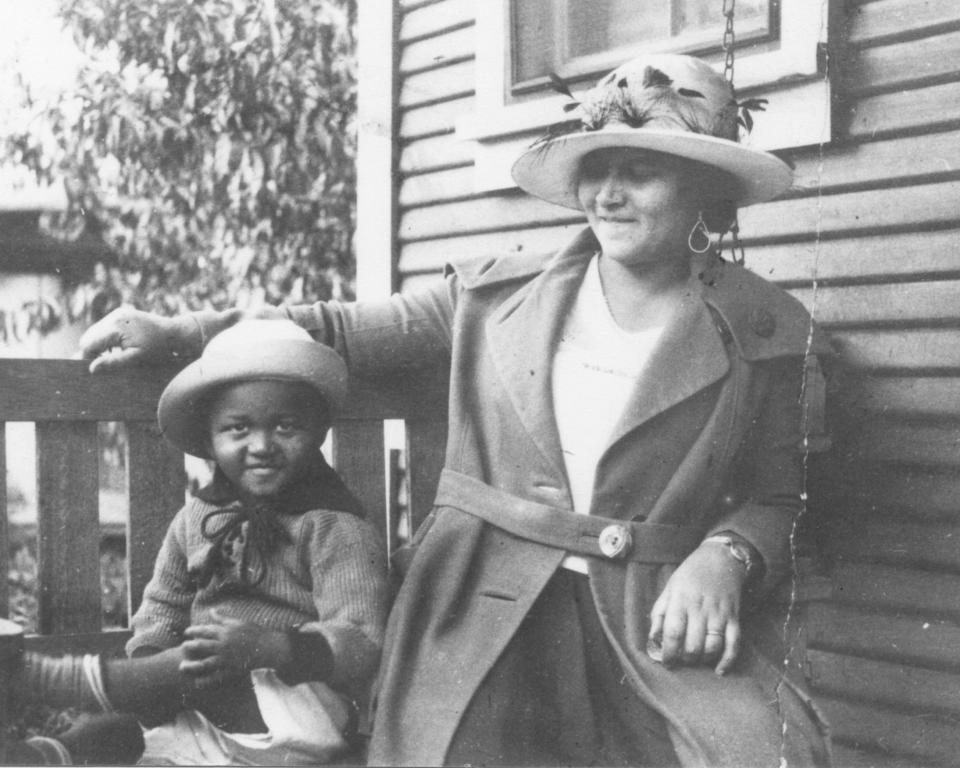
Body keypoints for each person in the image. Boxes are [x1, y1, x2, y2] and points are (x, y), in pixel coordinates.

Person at [80, 54, 833, 766]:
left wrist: (728, 555)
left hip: (648, 616)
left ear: (704, 186)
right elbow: (334, 327)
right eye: (596, 170)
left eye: (640, 173)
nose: (608, 195)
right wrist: (183, 332)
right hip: (480, 600)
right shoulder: (496, 297)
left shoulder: (764, 333)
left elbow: (781, 496)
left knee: (759, 749)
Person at [20, 319, 388, 765]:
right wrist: (152, 656)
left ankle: (63, 682)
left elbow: (363, 642)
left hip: (299, 708)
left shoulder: (334, 526)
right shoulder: (199, 517)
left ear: (319, 433)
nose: (262, 445)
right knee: (125, 732)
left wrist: (272, 647)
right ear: (211, 440)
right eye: (238, 429)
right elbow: (163, 604)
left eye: (286, 427)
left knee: (195, 669)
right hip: (203, 707)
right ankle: (46, 755)